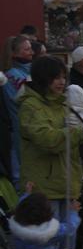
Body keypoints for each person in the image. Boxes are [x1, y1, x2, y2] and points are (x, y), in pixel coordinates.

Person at [18, 56, 83, 249]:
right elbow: (47, 139)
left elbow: (74, 135)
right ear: (42, 78)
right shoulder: (30, 107)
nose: (61, 82)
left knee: (68, 248)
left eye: (64, 77)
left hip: (67, 184)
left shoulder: (64, 104)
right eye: (55, 77)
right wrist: (80, 134)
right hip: (44, 188)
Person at [10, 189, 81, 249]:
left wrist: (27, 194)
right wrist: (73, 212)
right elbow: (70, 227)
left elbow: (24, 207)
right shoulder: (49, 232)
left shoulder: (17, 226)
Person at [3, 35, 34, 185]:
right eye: (27, 49)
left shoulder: (28, 72)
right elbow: (22, 102)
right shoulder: (12, 76)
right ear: (15, 53)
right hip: (20, 132)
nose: (31, 52)